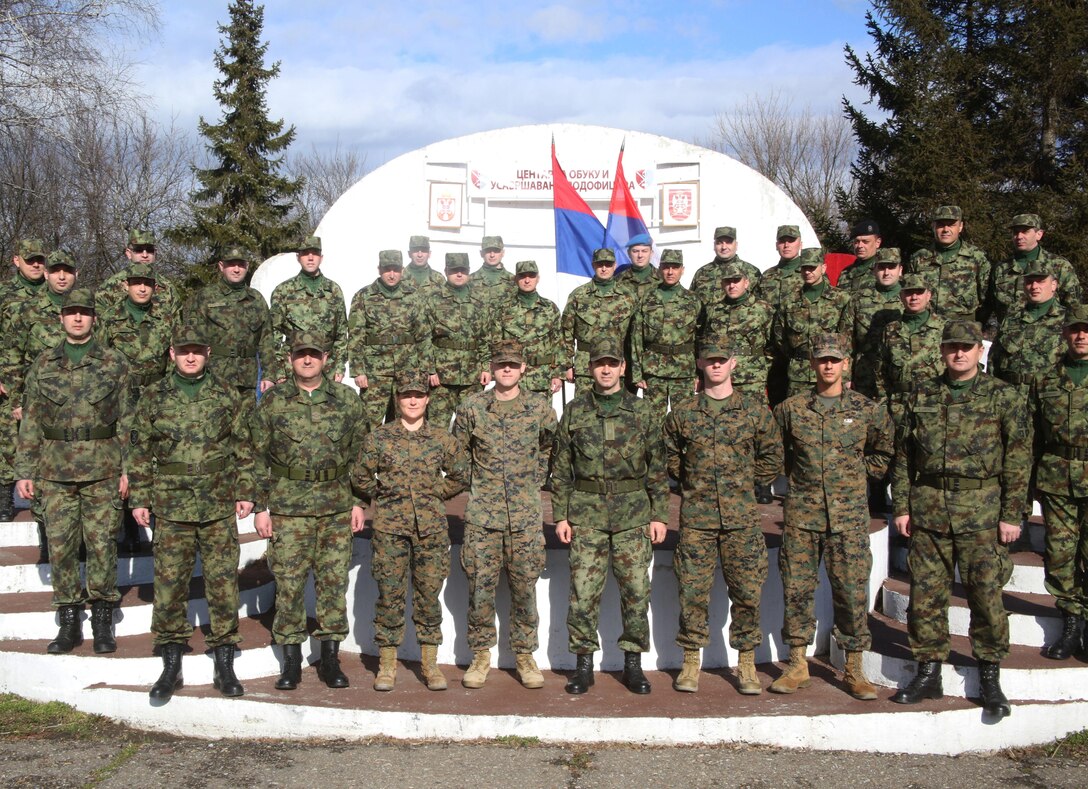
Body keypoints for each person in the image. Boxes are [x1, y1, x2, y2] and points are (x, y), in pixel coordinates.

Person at [890, 320, 1031, 719]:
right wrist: (901, 506)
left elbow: (1019, 458)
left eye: (966, 347)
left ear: (979, 351)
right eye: (952, 346)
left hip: (982, 508)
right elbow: (904, 456)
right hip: (930, 505)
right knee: (926, 596)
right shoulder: (922, 394)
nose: (959, 353)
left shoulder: (1004, 396)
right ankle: (928, 670)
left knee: (985, 595)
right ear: (941, 351)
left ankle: (989, 673)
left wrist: (1012, 514)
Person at [129, 324, 255, 700]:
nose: (190, 356)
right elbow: (138, 450)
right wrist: (139, 497)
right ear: (171, 353)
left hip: (217, 501)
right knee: (170, 585)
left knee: (222, 583)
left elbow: (243, 446)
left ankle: (224, 660)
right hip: (171, 502)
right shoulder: (153, 395)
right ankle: (170, 662)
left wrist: (246, 490)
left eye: (197, 350)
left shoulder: (228, 395)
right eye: (183, 350)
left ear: (207, 353)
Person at [770, 332, 893, 699]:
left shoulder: (866, 409)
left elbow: (884, 452)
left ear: (845, 363)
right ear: (812, 364)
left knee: (852, 590)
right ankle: (796, 664)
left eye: (834, 359)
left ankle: (854, 667)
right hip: (802, 515)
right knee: (796, 588)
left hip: (848, 516)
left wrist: (857, 475)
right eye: (821, 359)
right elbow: (777, 452)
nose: (828, 365)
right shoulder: (791, 409)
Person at [14, 288, 130, 655]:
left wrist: (129, 471)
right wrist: (24, 470)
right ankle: (68, 620)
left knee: (102, 546)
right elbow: (31, 421)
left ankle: (102, 620)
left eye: (84, 312)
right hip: (54, 470)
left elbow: (129, 420)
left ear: (94, 318)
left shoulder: (114, 362)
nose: (78, 318)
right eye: (71, 312)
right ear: (61, 318)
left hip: (103, 468)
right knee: (61, 548)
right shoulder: (44, 364)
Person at [551, 338, 669, 695]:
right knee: (583, 594)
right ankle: (582, 665)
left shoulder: (643, 411)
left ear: (623, 368)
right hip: (586, 513)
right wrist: (561, 516)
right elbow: (560, 468)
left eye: (612, 363)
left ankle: (633, 664)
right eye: (599, 363)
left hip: (633, 513)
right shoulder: (575, 411)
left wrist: (659, 514)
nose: (605, 369)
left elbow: (658, 467)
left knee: (636, 592)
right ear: (590, 369)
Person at [664, 336, 781, 694]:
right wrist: (692, 483)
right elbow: (671, 456)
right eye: (709, 360)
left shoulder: (753, 410)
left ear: (734, 363)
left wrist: (744, 482)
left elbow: (772, 456)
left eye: (722, 359)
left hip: (741, 518)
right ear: (700, 364)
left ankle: (746, 663)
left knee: (747, 592)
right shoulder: (683, 412)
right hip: (698, 519)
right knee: (692, 592)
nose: (715, 365)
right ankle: (690, 662)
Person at [250, 331, 366, 690]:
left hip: (334, 507)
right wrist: (260, 507)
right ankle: (291, 661)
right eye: (301, 354)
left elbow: (360, 454)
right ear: (290, 359)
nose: (307, 360)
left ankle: (330, 659)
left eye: (314, 354)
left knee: (333, 585)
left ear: (326, 358)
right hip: (288, 508)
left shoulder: (347, 400)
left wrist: (359, 501)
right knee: (288, 586)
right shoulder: (272, 402)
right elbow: (255, 455)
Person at [353, 371, 468, 692]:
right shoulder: (380, 437)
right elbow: (361, 475)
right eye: (406, 396)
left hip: (430, 530)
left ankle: (429, 664)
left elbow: (461, 474)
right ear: (397, 399)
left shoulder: (441, 438)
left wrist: (436, 492)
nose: (413, 400)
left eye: (418, 395)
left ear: (427, 399)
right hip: (390, 529)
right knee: (389, 596)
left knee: (428, 597)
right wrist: (384, 492)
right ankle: (387, 665)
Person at [452, 339, 557, 689]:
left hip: (525, 517)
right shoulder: (472, 407)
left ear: (523, 368)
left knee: (524, 590)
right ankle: (481, 654)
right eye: (501, 365)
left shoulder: (539, 407)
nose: (507, 370)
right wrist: (479, 487)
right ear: (492, 369)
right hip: (484, 516)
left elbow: (548, 448)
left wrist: (533, 481)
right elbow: (458, 454)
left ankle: (525, 655)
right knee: (480, 589)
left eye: (513, 364)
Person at [1, 249, 80, 563]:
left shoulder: (84, 309)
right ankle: (48, 539)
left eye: (67, 271)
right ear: (47, 274)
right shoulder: (28, 310)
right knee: (44, 477)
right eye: (56, 270)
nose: (62, 276)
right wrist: (18, 400)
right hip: (40, 407)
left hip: (77, 409)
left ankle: (76, 542)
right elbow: (11, 356)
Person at [96, 263, 177, 554]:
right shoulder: (110, 319)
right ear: (126, 285)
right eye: (136, 282)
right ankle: (127, 530)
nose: (142, 288)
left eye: (147, 283)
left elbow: (172, 362)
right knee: (124, 462)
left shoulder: (166, 319)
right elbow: (100, 360)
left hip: (155, 397)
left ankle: (159, 530)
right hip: (122, 398)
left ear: (155, 287)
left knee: (157, 458)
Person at [1031, 305, 1088, 660]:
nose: (1081, 336)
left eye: (1087, 330)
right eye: (1076, 329)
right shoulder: (1048, 379)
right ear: (1065, 334)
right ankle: (1071, 622)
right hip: (1057, 473)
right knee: (1060, 553)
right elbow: (1033, 435)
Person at [347, 250, 430, 430]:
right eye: (387, 269)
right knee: (370, 421)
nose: (392, 274)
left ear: (402, 270)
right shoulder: (364, 296)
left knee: (405, 421)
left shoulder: (414, 296)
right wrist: (358, 370)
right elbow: (355, 335)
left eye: (396, 269)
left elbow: (423, 335)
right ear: (379, 269)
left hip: (407, 369)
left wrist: (425, 370)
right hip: (375, 371)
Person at [182, 246, 274, 397]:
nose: (236, 269)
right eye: (231, 264)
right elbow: (193, 338)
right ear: (221, 266)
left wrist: (269, 375)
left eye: (241, 264)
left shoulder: (256, 299)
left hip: (247, 379)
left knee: (247, 420)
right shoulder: (205, 297)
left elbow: (267, 340)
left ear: (247, 266)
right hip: (214, 377)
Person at [0, 239, 48, 523]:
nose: (36, 265)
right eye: (30, 260)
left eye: (40, 259)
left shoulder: (53, 293)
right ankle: (5, 497)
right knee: (7, 439)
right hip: (10, 375)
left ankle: (43, 498)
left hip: (46, 380)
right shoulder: (5, 293)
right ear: (16, 260)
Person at [629, 249, 702, 421]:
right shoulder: (647, 298)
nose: (670, 272)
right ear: (660, 268)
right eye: (666, 267)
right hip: (654, 371)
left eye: (675, 268)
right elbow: (636, 338)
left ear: (682, 270)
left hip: (683, 372)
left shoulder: (693, 300)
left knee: (683, 419)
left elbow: (700, 339)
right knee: (653, 421)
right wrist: (637, 372)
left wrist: (700, 374)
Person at [770, 248, 851, 401]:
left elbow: (847, 339)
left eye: (812, 267)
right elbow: (780, 337)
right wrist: (797, 356)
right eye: (805, 267)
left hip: (830, 371)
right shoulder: (789, 301)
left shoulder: (841, 299)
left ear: (823, 268)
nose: (808, 272)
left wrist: (845, 375)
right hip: (798, 374)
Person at [423, 252, 491, 430]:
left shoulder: (480, 301)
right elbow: (425, 339)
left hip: (472, 376)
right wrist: (430, 370)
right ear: (446, 271)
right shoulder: (433, 300)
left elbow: (485, 338)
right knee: (436, 428)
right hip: (441, 379)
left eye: (463, 270)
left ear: (468, 271)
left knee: (471, 427)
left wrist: (486, 367)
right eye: (454, 270)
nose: (459, 274)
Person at [267, 235, 348, 383]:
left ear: (321, 258)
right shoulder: (283, 291)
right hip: (294, 365)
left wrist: (340, 366)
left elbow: (341, 333)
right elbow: (274, 334)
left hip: (328, 366)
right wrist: (279, 371)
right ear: (298, 257)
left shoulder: (333, 290)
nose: (310, 258)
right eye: (305, 253)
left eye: (315, 253)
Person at [561, 248, 637, 392]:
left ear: (615, 265)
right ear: (593, 265)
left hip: (616, 364)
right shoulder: (578, 295)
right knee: (584, 409)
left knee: (615, 410)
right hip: (586, 365)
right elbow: (566, 331)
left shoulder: (628, 296)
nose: (604, 268)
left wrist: (634, 367)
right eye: (600, 264)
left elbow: (636, 336)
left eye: (608, 264)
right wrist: (567, 365)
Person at [988, 258, 1067, 394]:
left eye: (1041, 281)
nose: (1034, 286)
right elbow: (993, 361)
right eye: (1029, 282)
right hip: (1013, 397)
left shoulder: (1067, 320)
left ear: (1054, 285)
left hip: (1050, 399)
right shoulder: (1012, 319)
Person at [988, 213, 1081, 327]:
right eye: (1015, 232)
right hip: (1011, 337)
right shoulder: (1001, 269)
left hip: (1050, 335)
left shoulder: (1059, 265)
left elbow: (1073, 305)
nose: (1019, 236)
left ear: (1039, 234)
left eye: (1025, 231)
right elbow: (989, 305)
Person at [879, 273, 946, 423]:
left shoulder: (944, 327)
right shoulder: (891, 330)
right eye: (909, 292)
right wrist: (883, 403)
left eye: (919, 292)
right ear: (901, 296)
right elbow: (881, 370)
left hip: (934, 402)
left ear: (928, 295)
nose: (914, 297)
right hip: (898, 405)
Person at [489, 261, 563, 395]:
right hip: (512, 378)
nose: (527, 280)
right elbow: (495, 344)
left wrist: (557, 374)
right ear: (516, 279)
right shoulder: (503, 309)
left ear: (538, 278)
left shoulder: (549, 308)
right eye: (523, 276)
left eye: (531, 276)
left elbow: (558, 343)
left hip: (541, 377)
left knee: (541, 415)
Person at [906, 206, 991, 323]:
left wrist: (976, 326)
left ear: (960, 226)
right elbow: (909, 293)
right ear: (933, 226)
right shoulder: (919, 258)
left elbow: (987, 298)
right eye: (941, 224)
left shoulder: (976, 257)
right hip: (926, 329)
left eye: (951, 225)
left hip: (962, 329)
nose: (945, 229)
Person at [846, 248, 903, 401]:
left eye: (891, 267)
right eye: (882, 267)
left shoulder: (911, 299)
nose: (886, 272)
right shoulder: (858, 299)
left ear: (900, 270)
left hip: (900, 375)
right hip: (865, 375)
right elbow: (845, 340)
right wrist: (845, 376)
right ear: (874, 270)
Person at [95, 229, 180, 314]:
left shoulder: (167, 287)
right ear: (128, 253)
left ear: (155, 253)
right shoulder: (110, 286)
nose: (145, 255)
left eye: (150, 250)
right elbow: (97, 321)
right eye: (139, 250)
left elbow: (177, 323)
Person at [690, 226, 761, 305]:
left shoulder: (752, 272)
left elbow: (760, 305)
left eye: (728, 242)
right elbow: (692, 302)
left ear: (736, 245)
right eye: (719, 243)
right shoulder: (702, 273)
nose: (724, 247)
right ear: (714, 246)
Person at [752, 224, 802, 310]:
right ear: (776, 245)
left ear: (800, 245)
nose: (786, 245)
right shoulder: (767, 276)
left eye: (791, 241)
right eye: (782, 241)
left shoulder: (811, 273)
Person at [836, 219, 884, 291]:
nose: (860, 246)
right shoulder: (846, 273)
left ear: (877, 242)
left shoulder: (884, 270)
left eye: (865, 242)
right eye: (856, 242)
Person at [470, 235, 515, 310]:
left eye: (496, 251)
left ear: (503, 253)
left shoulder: (513, 280)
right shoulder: (470, 280)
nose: (492, 255)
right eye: (488, 251)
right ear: (481, 253)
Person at [614, 233, 660, 302]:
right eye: (635, 251)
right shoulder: (618, 279)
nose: (640, 255)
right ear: (629, 253)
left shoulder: (662, 278)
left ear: (651, 253)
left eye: (644, 251)